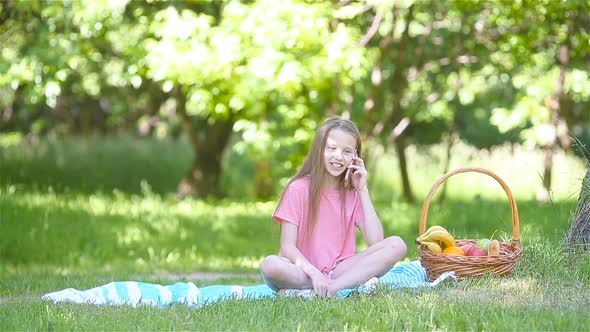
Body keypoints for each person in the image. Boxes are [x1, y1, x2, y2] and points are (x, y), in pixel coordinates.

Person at [260, 116, 407, 298]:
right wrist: (314, 274)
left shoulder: (353, 193)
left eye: (347, 151)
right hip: (302, 271)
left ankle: (332, 289)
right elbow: (288, 247)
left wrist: (362, 189)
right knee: (270, 265)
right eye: (332, 148)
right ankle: (327, 285)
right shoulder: (297, 189)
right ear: (319, 150)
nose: (338, 156)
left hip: (339, 271)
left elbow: (376, 242)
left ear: (355, 156)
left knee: (397, 244)